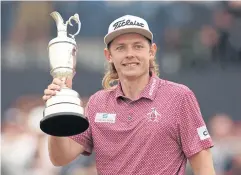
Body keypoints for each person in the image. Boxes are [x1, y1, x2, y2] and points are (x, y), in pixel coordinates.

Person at [42, 15, 216, 175]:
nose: (130, 54)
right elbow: (60, 158)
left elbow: (204, 167)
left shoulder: (179, 97)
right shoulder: (97, 103)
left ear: (152, 51)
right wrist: (56, 110)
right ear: (109, 55)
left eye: (138, 46)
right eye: (121, 48)